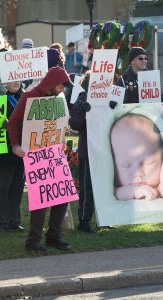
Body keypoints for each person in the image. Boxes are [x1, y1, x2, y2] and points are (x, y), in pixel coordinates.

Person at [8, 66, 74, 254]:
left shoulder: (58, 99)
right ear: (52, 84)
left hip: (55, 152)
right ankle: (33, 240)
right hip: (35, 153)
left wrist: (62, 141)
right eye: (62, 86)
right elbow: (12, 122)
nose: (64, 90)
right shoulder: (28, 97)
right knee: (42, 198)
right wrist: (15, 146)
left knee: (62, 195)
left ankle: (54, 236)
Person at [110, 113, 163, 201]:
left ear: (162, 156)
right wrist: (128, 192)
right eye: (125, 165)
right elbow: (106, 197)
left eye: (148, 162)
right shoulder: (116, 191)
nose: (138, 173)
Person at [0, 79, 25, 233]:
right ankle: (2, 222)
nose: (17, 82)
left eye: (19, 79)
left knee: (17, 187)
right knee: (2, 187)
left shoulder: (22, 96)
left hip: (19, 148)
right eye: (12, 80)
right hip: (1, 150)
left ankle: (14, 221)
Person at [68, 71, 95, 233]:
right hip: (88, 150)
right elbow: (74, 124)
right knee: (87, 187)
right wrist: (85, 112)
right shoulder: (81, 100)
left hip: (104, 149)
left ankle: (105, 218)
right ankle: (84, 220)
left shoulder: (108, 100)